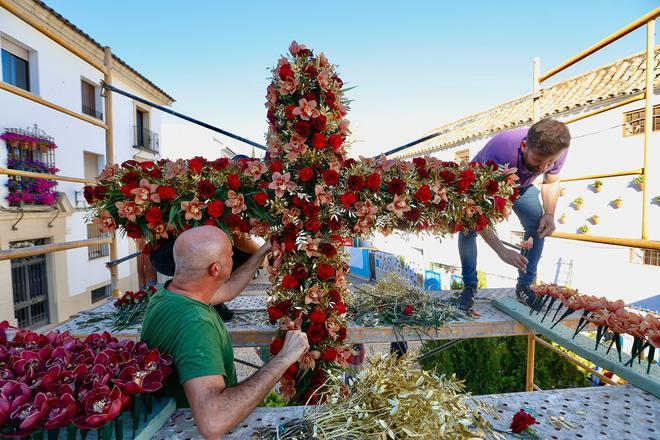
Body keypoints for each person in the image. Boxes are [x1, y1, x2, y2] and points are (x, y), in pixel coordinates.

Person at [141, 226, 309, 438]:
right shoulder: (196, 324)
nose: (233, 256)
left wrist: (263, 250)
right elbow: (213, 423)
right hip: (185, 430)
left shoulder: (171, 293)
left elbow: (229, 289)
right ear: (215, 270)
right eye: (230, 254)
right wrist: (285, 357)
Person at [457, 119, 571, 314]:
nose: (543, 167)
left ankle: (524, 286)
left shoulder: (558, 148)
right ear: (525, 145)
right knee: (468, 230)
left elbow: (551, 181)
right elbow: (477, 212)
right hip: (482, 184)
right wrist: (501, 251)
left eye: (549, 162)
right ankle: (469, 285)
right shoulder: (500, 150)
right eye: (537, 160)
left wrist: (550, 214)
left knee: (538, 224)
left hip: (520, 185)